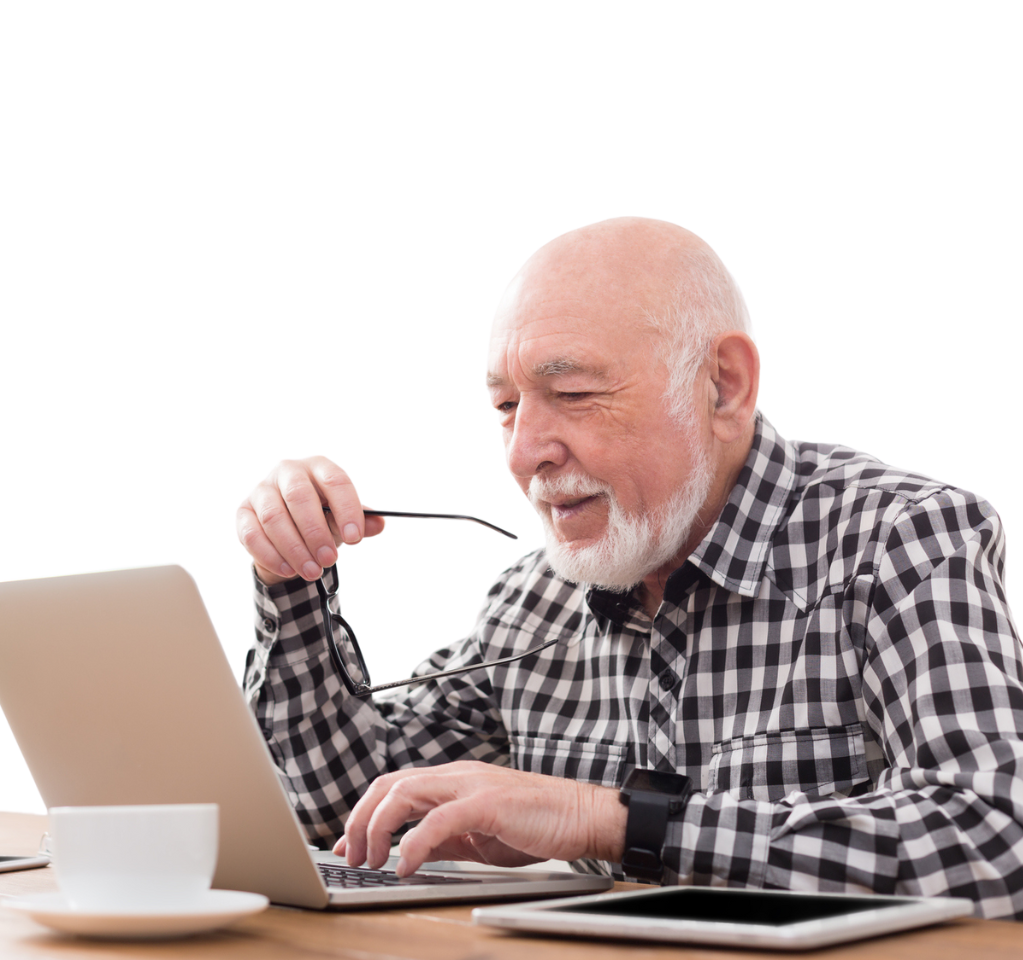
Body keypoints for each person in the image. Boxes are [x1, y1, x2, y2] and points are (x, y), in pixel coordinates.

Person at [233, 216, 1023, 920]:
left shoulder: (902, 537)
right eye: (505, 408)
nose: (523, 455)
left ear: (724, 385)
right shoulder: (534, 595)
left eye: (572, 393)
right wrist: (292, 580)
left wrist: (607, 819)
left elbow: (997, 839)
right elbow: (343, 809)